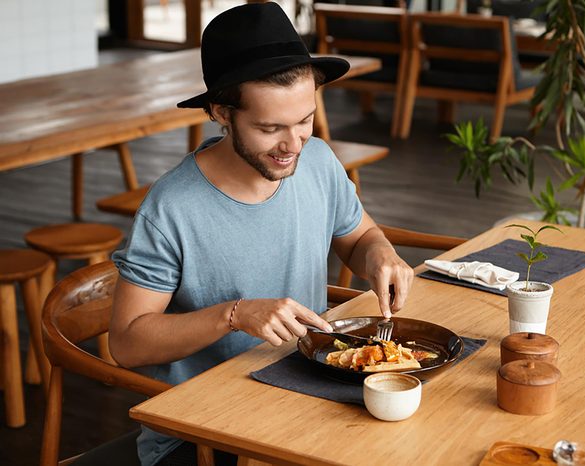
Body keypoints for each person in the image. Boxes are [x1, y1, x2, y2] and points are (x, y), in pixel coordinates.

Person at [108, 3, 414, 465]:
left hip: (307, 394)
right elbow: (127, 344)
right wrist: (234, 315)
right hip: (202, 432)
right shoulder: (170, 207)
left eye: (305, 120)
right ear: (221, 113)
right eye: (270, 128)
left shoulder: (319, 161)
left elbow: (358, 236)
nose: (293, 146)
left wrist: (380, 254)